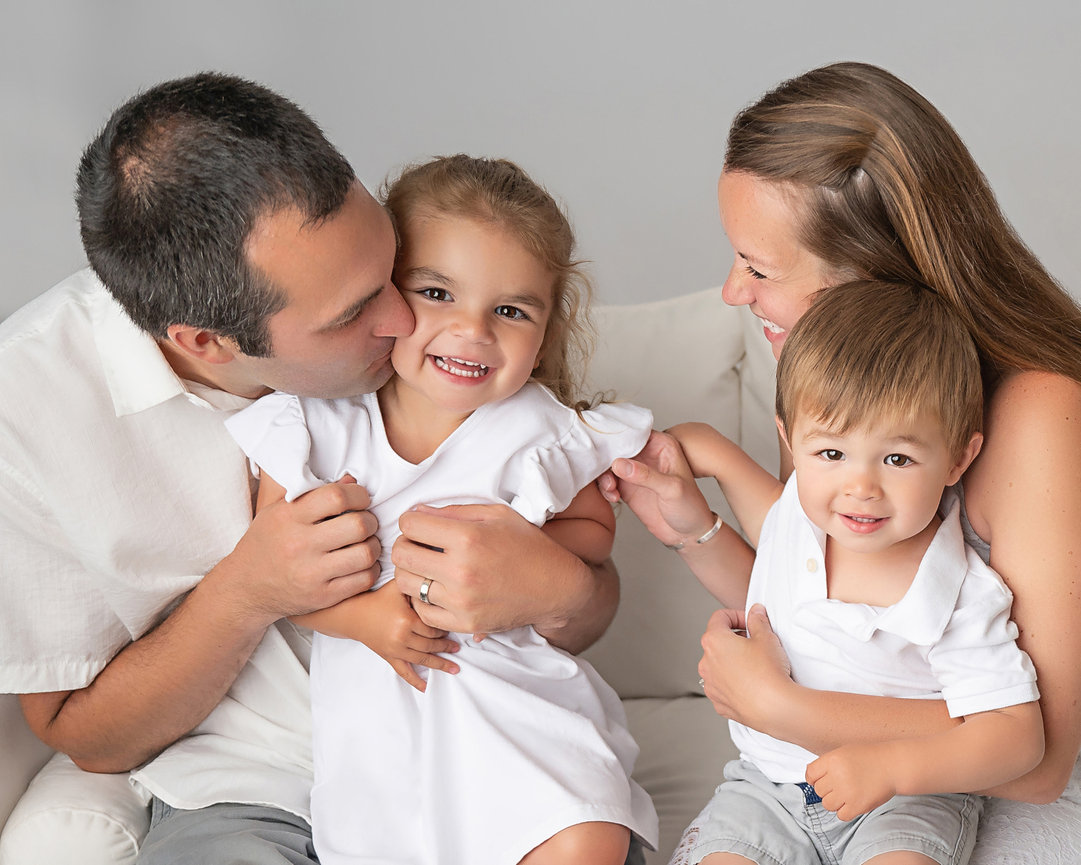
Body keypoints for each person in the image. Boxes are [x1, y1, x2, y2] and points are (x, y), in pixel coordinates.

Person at [0, 73, 626, 864]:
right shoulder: (25, 419)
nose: (403, 321)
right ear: (206, 342)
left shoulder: (460, 376)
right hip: (254, 780)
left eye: (394, 274)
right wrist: (246, 593)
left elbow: (582, 597)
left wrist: (563, 586)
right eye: (354, 312)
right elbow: (77, 732)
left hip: (475, 753)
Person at [603, 61, 1081, 862]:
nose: (731, 291)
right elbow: (826, 602)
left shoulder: (1034, 412)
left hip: (1004, 791)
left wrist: (780, 706)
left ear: (870, 270)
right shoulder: (863, 418)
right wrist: (697, 528)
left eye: (758, 267)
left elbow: (1040, 760)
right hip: (847, 778)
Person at [226, 154, 659, 865]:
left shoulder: (536, 429)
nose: (473, 331)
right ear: (383, 297)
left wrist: (536, 555)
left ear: (545, 330)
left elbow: (590, 533)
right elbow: (279, 579)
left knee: (581, 830)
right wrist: (362, 616)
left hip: (519, 700)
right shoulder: (321, 425)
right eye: (436, 292)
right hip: (385, 719)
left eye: (511, 310)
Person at [612, 279, 1043, 865]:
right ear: (791, 439)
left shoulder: (959, 593)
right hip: (768, 791)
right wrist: (688, 453)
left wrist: (894, 766)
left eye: (897, 458)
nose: (859, 489)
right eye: (832, 454)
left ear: (958, 459)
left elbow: (1016, 736)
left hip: (907, 795)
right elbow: (736, 490)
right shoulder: (801, 514)